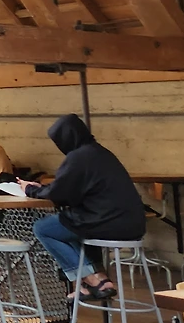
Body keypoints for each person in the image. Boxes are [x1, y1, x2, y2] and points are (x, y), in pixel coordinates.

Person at [20, 114, 142, 302]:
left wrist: (30, 189)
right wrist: (43, 189)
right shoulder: (101, 153)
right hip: (133, 224)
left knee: (43, 228)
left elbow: (60, 193)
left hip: (106, 223)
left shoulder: (79, 157)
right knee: (71, 227)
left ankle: (90, 280)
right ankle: (100, 277)